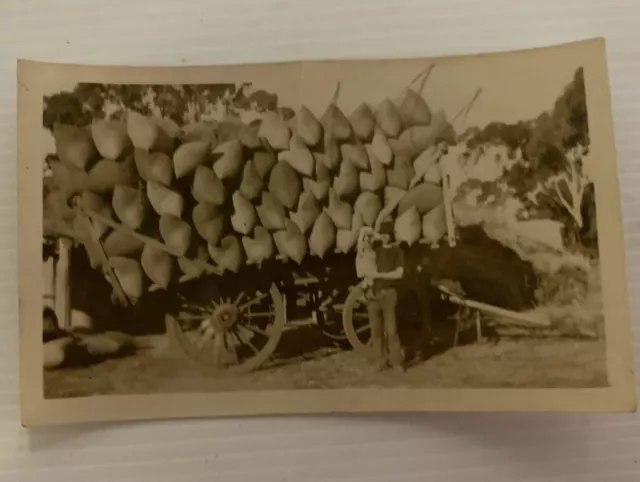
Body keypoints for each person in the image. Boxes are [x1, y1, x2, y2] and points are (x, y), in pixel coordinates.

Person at [355, 221, 406, 371]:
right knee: (376, 331)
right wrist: (367, 231)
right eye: (381, 234)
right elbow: (362, 242)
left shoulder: (397, 251)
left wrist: (379, 275)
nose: (383, 237)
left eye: (386, 234)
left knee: (391, 330)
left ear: (391, 235)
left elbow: (399, 273)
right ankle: (380, 361)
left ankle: (396, 362)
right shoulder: (375, 250)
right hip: (373, 296)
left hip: (389, 294)